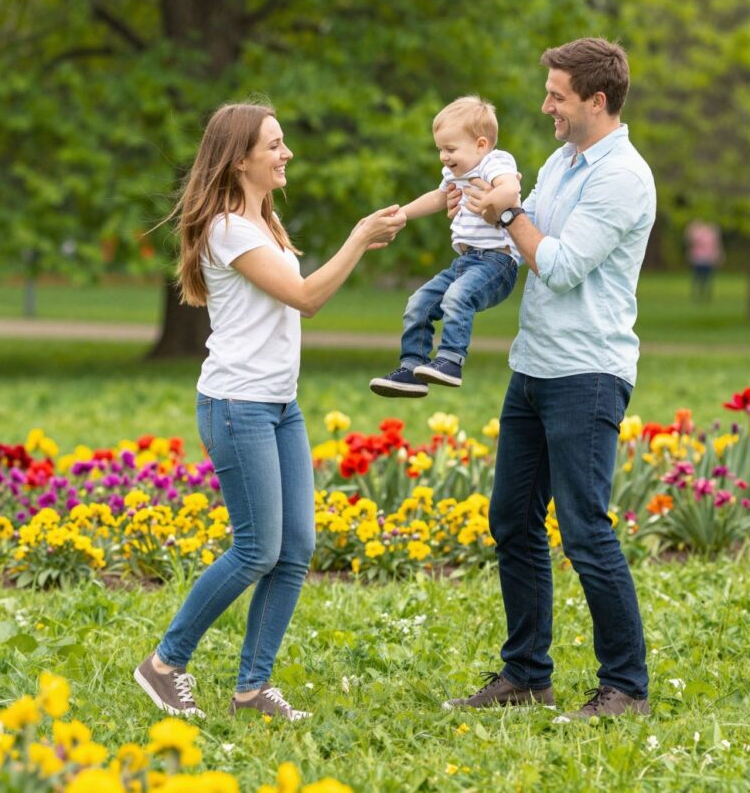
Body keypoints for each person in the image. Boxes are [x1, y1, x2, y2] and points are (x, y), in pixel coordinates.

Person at [135, 101, 405, 722]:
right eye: (275, 145)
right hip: (237, 404)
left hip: (279, 404)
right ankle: (164, 664)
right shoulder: (229, 229)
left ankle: (252, 690)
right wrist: (360, 237)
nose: (287, 154)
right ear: (240, 159)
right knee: (257, 549)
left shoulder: (267, 224)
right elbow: (307, 298)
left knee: (296, 547)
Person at [445, 38, 655, 721]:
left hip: (587, 371)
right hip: (534, 365)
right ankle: (527, 675)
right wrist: (482, 215)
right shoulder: (562, 162)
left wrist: (508, 212)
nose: (545, 106)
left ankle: (625, 686)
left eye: (558, 95)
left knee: (585, 528)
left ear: (597, 100)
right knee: (511, 519)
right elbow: (519, 239)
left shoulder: (621, 176)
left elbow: (559, 264)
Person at [369, 96, 521, 398]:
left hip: (497, 263)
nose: (443, 156)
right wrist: (403, 214)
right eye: (440, 148)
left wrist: (491, 203)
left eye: (450, 149)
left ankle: (451, 361)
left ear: (480, 144)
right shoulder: (455, 174)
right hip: (465, 262)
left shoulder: (495, 162)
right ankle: (412, 367)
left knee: (457, 296)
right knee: (419, 301)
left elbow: (512, 187)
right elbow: (439, 198)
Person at [684, 219, 722, 302]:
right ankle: (698, 294)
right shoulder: (697, 232)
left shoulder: (711, 233)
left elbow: (716, 245)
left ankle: (706, 295)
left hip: (708, 259)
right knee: (698, 278)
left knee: (707, 278)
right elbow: (690, 241)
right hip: (698, 259)